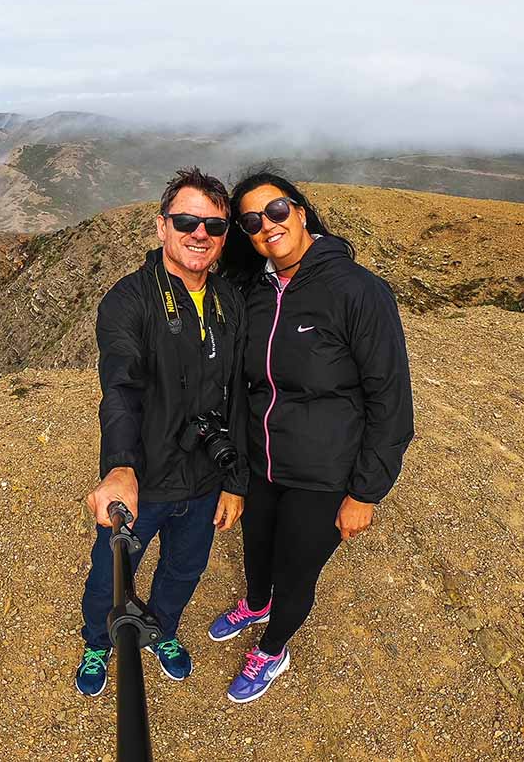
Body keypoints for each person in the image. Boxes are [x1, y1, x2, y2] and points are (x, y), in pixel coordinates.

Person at [209, 170, 414, 704]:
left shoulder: (358, 291)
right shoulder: (254, 292)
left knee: (294, 571)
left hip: (324, 473)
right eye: (251, 221)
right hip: (262, 463)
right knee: (257, 552)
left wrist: (365, 493)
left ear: (300, 210)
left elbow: (391, 404)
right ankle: (255, 603)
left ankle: (273, 648)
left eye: (275, 210)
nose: (266, 226)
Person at [75, 167, 249, 696]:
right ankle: (97, 642)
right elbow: (121, 388)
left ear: (223, 238)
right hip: (143, 480)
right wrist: (121, 467)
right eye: (187, 220)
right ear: (162, 227)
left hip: (202, 480)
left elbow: (241, 394)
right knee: (112, 574)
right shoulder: (129, 300)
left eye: (214, 226)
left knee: (184, 568)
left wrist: (235, 480)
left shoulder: (230, 301)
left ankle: (164, 631)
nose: (200, 233)